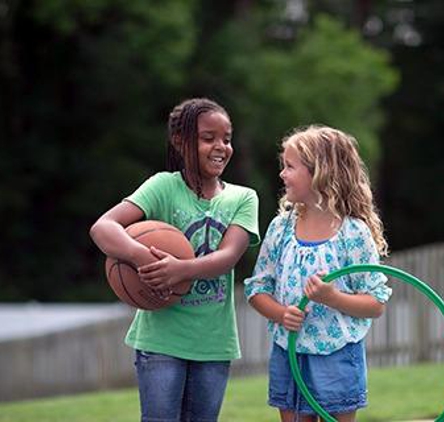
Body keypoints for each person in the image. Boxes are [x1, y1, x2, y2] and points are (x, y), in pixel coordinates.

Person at [90, 98, 259, 422]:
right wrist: (140, 257)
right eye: (208, 138)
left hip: (213, 342)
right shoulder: (163, 187)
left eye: (227, 138)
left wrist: (179, 270)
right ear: (180, 142)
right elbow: (103, 227)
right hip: (160, 340)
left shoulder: (243, 197)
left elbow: (228, 256)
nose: (221, 146)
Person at [244, 125, 392, 422]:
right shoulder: (280, 228)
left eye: (289, 167)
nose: (282, 174)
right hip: (289, 350)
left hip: (336, 355)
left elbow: (376, 303)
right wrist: (281, 313)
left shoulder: (353, 232)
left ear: (319, 172)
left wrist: (333, 297)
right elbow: (256, 289)